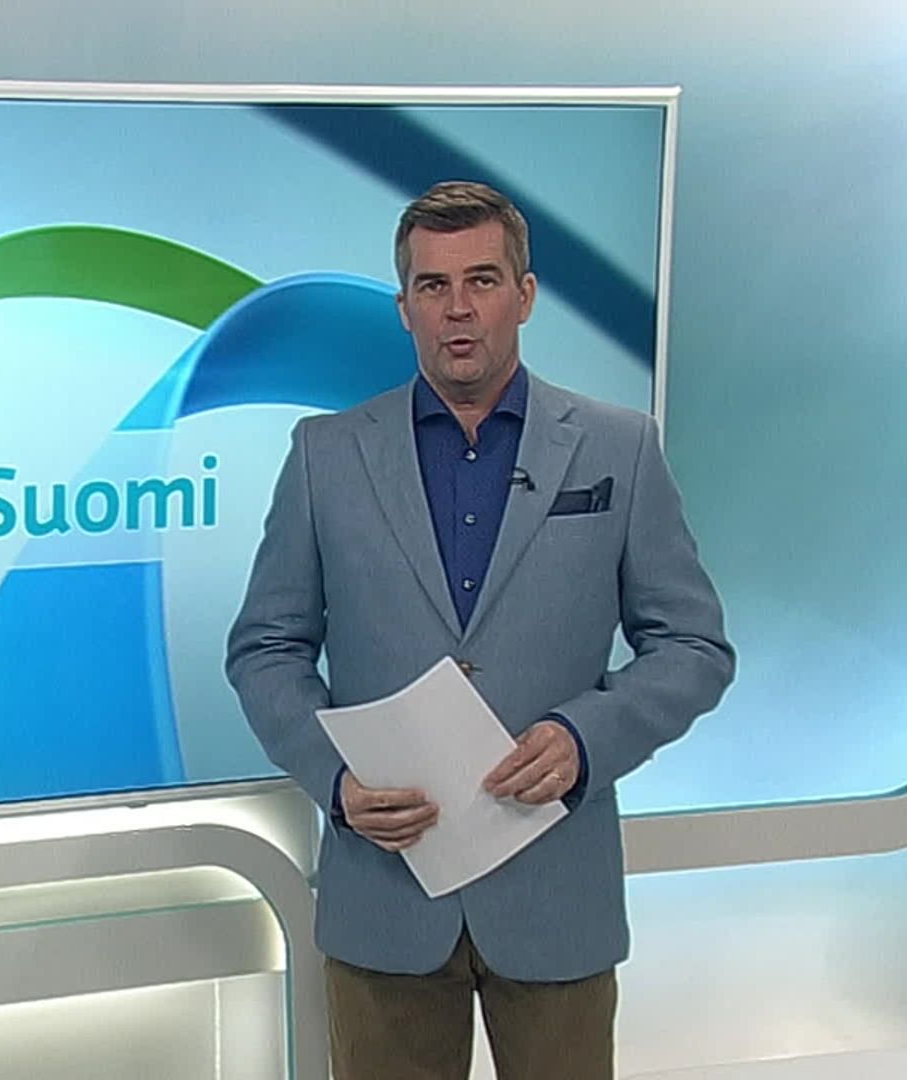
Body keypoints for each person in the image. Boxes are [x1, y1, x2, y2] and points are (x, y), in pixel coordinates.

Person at [225, 180, 735, 1079]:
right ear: (405, 308)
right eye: (433, 286)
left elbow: (693, 645)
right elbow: (265, 648)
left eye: (483, 281)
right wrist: (336, 780)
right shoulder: (325, 456)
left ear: (524, 296)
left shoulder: (618, 448)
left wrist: (586, 738)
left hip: (555, 893)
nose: (458, 309)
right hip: (386, 897)